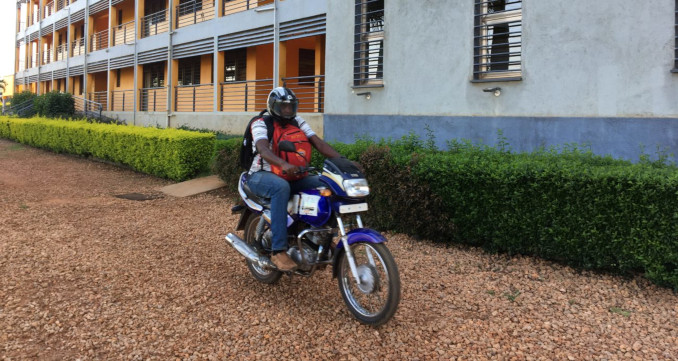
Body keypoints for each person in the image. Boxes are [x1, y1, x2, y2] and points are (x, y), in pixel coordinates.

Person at [245, 87, 344, 271]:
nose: (288, 111)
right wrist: (283, 164)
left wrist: (344, 162)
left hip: (293, 175)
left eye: (291, 107)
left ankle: (321, 239)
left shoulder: (298, 122)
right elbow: (263, 149)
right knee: (280, 187)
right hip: (260, 176)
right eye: (284, 107)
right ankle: (278, 251)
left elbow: (319, 143)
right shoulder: (260, 123)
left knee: (327, 183)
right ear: (274, 106)